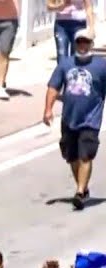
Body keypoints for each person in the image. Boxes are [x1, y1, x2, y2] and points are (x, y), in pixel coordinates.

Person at [44, 28, 106, 207]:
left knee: (85, 155)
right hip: (68, 119)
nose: (82, 45)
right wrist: (48, 109)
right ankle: (83, 187)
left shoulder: (101, 66)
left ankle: (79, 192)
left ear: (91, 44)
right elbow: (53, 87)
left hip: (91, 120)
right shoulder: (66, 64)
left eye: (86, 42)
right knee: (72, 157)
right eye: (79, 42)